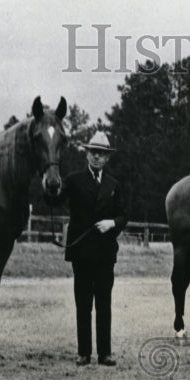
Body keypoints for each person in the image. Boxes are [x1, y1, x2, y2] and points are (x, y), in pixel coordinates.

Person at [57, 131, 128, 366]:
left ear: (107, 158)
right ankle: (84, 352)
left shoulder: (113, 184)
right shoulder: (73, 180)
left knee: (104, 303)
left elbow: (123, 215)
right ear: (87, 154)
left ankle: (105, 353)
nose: (97, 157)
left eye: (101, 154)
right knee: (83, 302)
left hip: (106, 253)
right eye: (93, 152)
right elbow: (54, 199)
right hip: (82, 252)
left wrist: (113, 223)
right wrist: (49, 183)